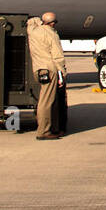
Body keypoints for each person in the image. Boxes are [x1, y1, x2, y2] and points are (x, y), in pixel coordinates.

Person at [28, 12, 67, 140]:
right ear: (53, 23)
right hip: (50, 69)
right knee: (47, 102)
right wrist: (62, 73)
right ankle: (44, 131)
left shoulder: (33, 31)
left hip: (38, 69)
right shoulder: (52, 34)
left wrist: (39, 21)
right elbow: (57, 56)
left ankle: (47, 128)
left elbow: (31, 21)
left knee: (44, 99)